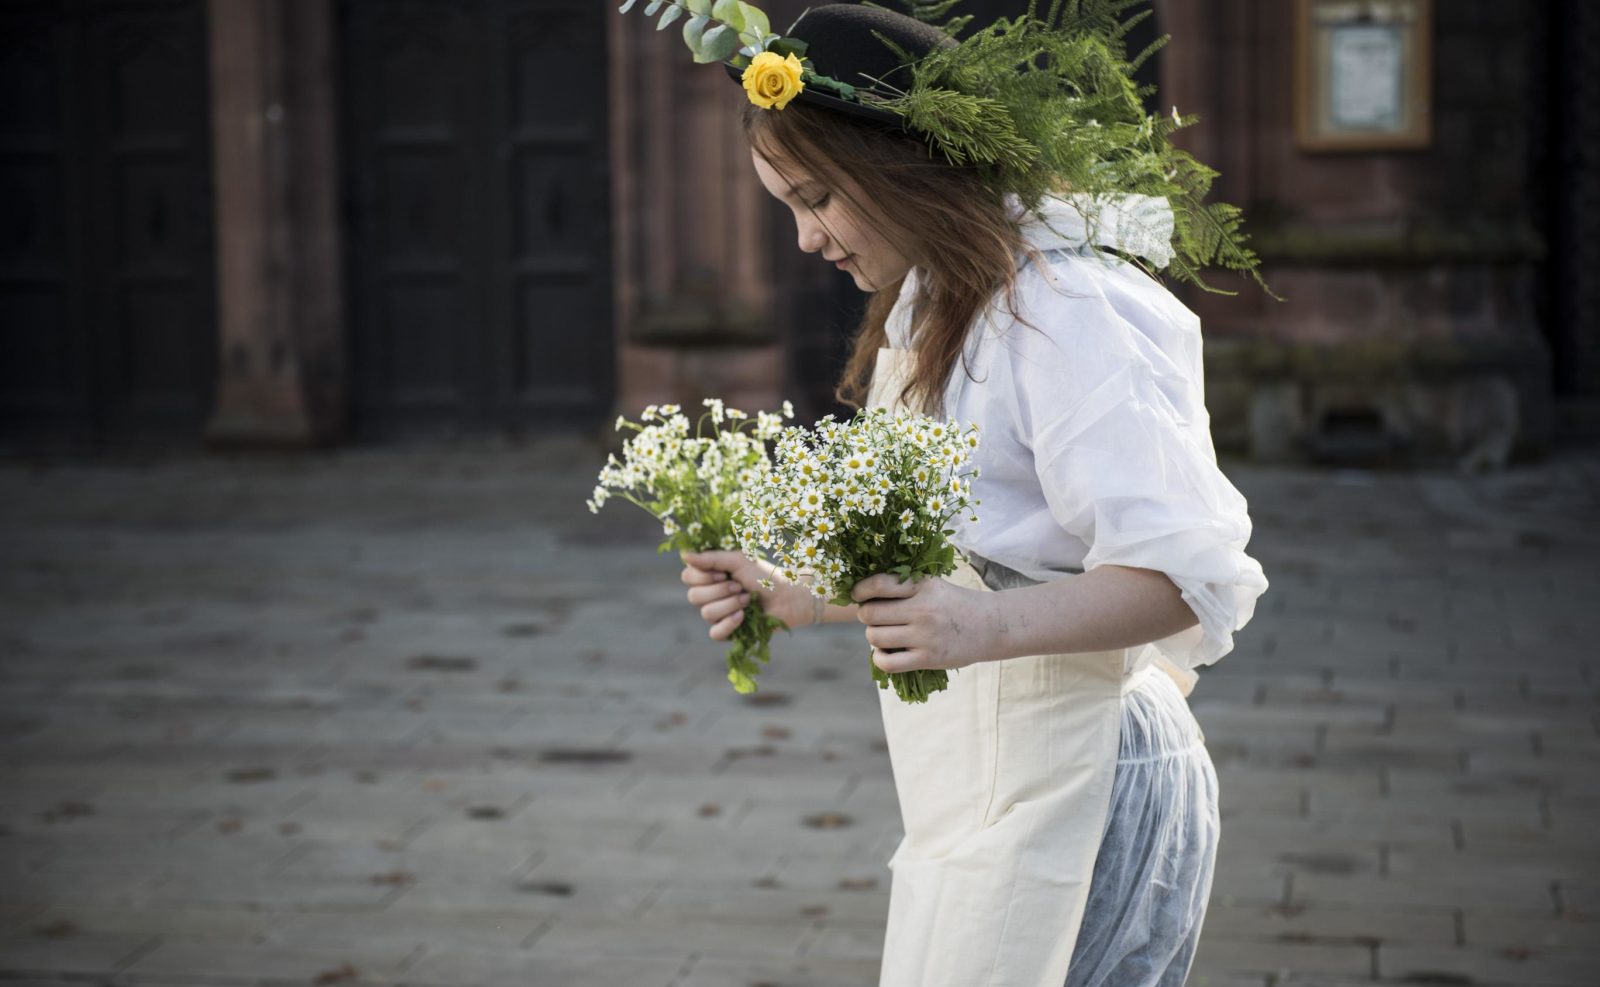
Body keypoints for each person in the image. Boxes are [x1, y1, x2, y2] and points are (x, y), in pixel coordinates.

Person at [661, 3, 1270, 985]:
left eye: (817, 199)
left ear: (903, 163)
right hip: (976, 787)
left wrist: (973, 631)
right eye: (788, 209)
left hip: (1084, 777)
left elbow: (1184, 580)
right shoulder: (934, 302)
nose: (807, 240)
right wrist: (796, 590)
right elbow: (972, 556)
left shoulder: (1067, 310)